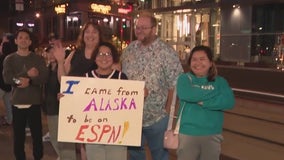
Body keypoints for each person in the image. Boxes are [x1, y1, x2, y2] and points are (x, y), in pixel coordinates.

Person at [121, 13, 184, 160]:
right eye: (137, 27)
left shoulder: (167, 52)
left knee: (160, 156)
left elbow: (176, 84)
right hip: (132, 117)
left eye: (144, 27)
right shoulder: (130, 49)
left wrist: (167, 113)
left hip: (157, 118)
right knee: (135, 155)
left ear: (154, 29)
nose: (139, 31)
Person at [176, 45, 235, 160]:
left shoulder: (220, 81)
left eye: (202, 59)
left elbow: (229, 102)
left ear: (210, 63)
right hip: (188, 133)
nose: (197, 63)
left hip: (212, 134)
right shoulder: (184, 79)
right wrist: (215, 92)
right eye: (194, 59)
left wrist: (205, 102)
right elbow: (186, 95)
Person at [53, 21, 102, 160]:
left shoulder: (104, 53)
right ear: (83, 35)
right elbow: (63, 81)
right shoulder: (75, 54)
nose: (90, 35)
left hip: (98, 108)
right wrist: (60, 62)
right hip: (77, 107)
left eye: (94, 32)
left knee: (94, 145)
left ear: (100, 35)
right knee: (81, 143)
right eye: (87, 31)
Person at [2, 28, 48, 160]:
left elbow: (44, 77)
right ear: (16, 41)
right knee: (18, 137)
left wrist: (31, 81)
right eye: (20, 37)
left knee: (37, 136)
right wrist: (23, 77)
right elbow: (8, 78)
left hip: (34, 102)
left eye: (26, 38)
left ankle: (38, 157)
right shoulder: (9, 59)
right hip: (17, 103)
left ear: (30, 42)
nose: (23, 40)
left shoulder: (37, 59)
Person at [84, 41, 128, 160]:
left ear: (113, 58)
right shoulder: (86, 78)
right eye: (100, 54)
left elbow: (130, 105)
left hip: (116, 135)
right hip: (93, 134)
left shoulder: (121, 77)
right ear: (94, 58)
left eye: (108, 54)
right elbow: (79, 104)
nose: (104, 57)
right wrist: (66, 97)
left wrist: (140, 94)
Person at [42, 45, 77, 160]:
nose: (52, 55)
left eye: (55, 52)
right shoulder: (47, 68)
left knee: (62, 139)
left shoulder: (62, 68)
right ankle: (61, 156)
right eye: (49, 52)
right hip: (49, 109)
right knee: (53, 137)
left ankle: (64, 156)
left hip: (60, 109)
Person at [0, 34, 17, 125]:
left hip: (1, 85)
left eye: (2, 45)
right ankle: (10, 120)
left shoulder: (2, 58)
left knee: (8, 104)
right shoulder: (12, 58)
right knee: (9, 105)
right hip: (9, 86)